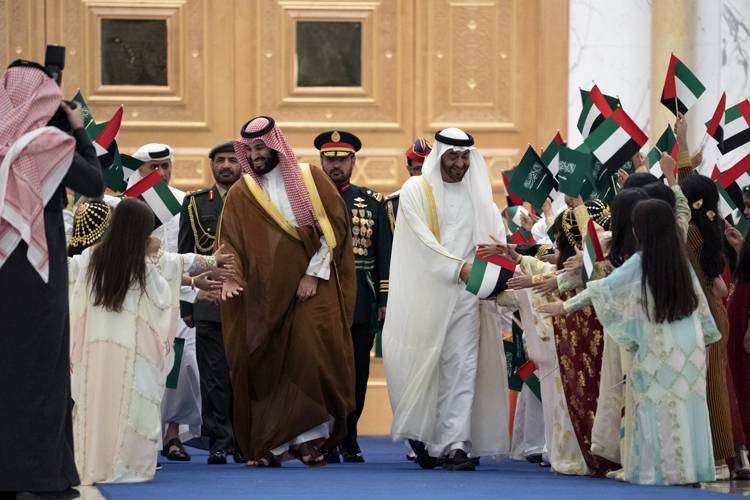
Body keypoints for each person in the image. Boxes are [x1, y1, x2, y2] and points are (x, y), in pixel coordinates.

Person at [540, 199, 720, 485]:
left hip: (657, 344)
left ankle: (660, 471)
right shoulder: (680, 260)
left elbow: (603, 289)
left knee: (655, 406)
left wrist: (564, 307)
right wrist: (707, 340)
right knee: (690, 405)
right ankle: (691, 471)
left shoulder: (642, 260)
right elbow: (701, 307)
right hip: (689, 345)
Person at [218, 116, 356, 467]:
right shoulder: (241, 191)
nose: (255, 154)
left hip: (311, 285)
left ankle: (311, 440)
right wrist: (231, 277)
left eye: (260, 147)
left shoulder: (310, 177)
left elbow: (334, 231)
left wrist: (312, 274)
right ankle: (272, 445)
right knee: (267, 362)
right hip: (264, 294)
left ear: (276, 144)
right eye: (249, 149)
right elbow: (229, 243)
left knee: (310, 356)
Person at [69, 198, 230, 485]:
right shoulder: (145, 262)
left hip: (96, 350)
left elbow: (176, 265)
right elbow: (164, 291)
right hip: (134, 350)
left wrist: (198, 275)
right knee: (133, 404)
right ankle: (126, 464)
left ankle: (95, 462)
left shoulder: (94, 256)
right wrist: (210, 263)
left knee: (98, 404)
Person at [0, 60, 103, 499]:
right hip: (35, 276)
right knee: (41, 373)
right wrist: (79, 130)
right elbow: (95, 184)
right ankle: (43, 478)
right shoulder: (46, 143)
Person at [382, 127, 509, 471]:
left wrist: (499, 273)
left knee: (462, 368)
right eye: (453, 155)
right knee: (424, 367)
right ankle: (426, 438)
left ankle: (456, 444)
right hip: (425, 296)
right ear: (439, 155)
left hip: (467, 298)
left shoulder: (478, 198)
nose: (460, 163)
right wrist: (458, 268)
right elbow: (422, 242)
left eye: (466, 156)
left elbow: (496, 240)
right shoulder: (415, 191)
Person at [314, 130, 391, 463]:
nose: (335, 166)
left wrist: (384, 300)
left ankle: (350, 434)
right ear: (321, 162)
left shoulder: (372, 201)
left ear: (352, 162)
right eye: (330, 160)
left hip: (361, 298)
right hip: (318, 295)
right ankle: (327, 435)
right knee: (322, 369)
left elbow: (383, 253)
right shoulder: (306, 200)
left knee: (357, 371)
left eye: (341, 160)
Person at [128, 143, 202, 462]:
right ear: (140, 170)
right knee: (145, 371)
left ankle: (173, 434)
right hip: (141, 300)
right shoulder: (127, 206)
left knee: (183, 370)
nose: (161, 173)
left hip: (183, 297)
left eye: (166, 166)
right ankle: (145, 439)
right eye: (153, 168)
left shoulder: (187, 201)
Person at [178, 141, 244, 464]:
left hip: (248, 305)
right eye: (221, 160)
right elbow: (184, 255)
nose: (227, 165)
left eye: (233, 159)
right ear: (212, 165)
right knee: (214, 376)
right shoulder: (193, 204)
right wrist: (187, 305)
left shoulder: (256, 201)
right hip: (209, 303)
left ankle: (245, 440)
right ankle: (220, 440)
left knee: (244, 374)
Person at [385, 137, 432, 231]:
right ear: (410, 170)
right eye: (419, 169)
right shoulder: (393, 204)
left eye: (429, 168)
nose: (425, 174)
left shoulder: (448, 199)